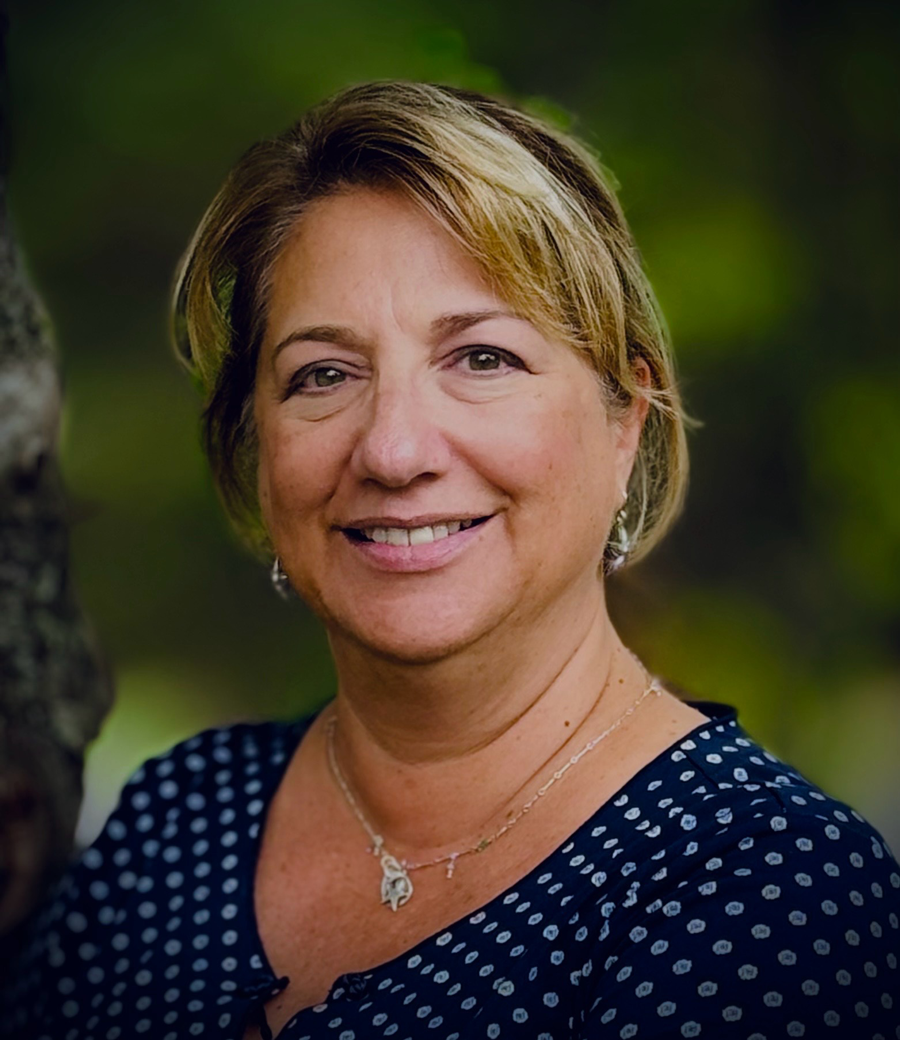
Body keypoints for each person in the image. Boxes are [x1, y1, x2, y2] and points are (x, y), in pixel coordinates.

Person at [2, 80, 898, 1040]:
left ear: (626, 423)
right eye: (324, 375)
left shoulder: (772, 882)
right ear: (258, 455)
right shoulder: (177, 819)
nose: (393, 450)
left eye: (482, 359)